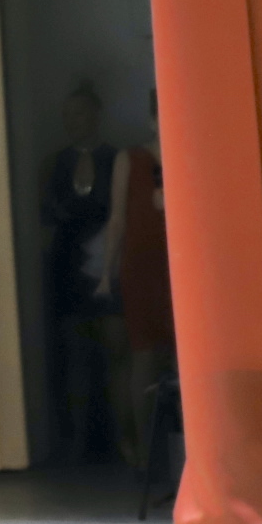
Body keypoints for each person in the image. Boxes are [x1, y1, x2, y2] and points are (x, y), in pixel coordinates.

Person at [40, 82, 124, 462]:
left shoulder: (115, 158)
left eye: (79, 113)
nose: (72, 122)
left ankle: (119, 443)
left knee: (114, 352)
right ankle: (75, 446)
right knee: (73, 355)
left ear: (96, 114)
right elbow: (45, 217)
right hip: (68, 266)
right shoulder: (54, 164)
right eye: (67, 116)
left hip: (108, 264)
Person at [97, 88, 172, 466]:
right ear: (152, 120)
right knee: (143, 352)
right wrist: (105, 273)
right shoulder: (130, 158)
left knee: (177, 355)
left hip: (178, 266)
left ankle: (177, 451)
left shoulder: (188, 155)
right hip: (141, 264)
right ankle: (144, 449)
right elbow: (118, 218)